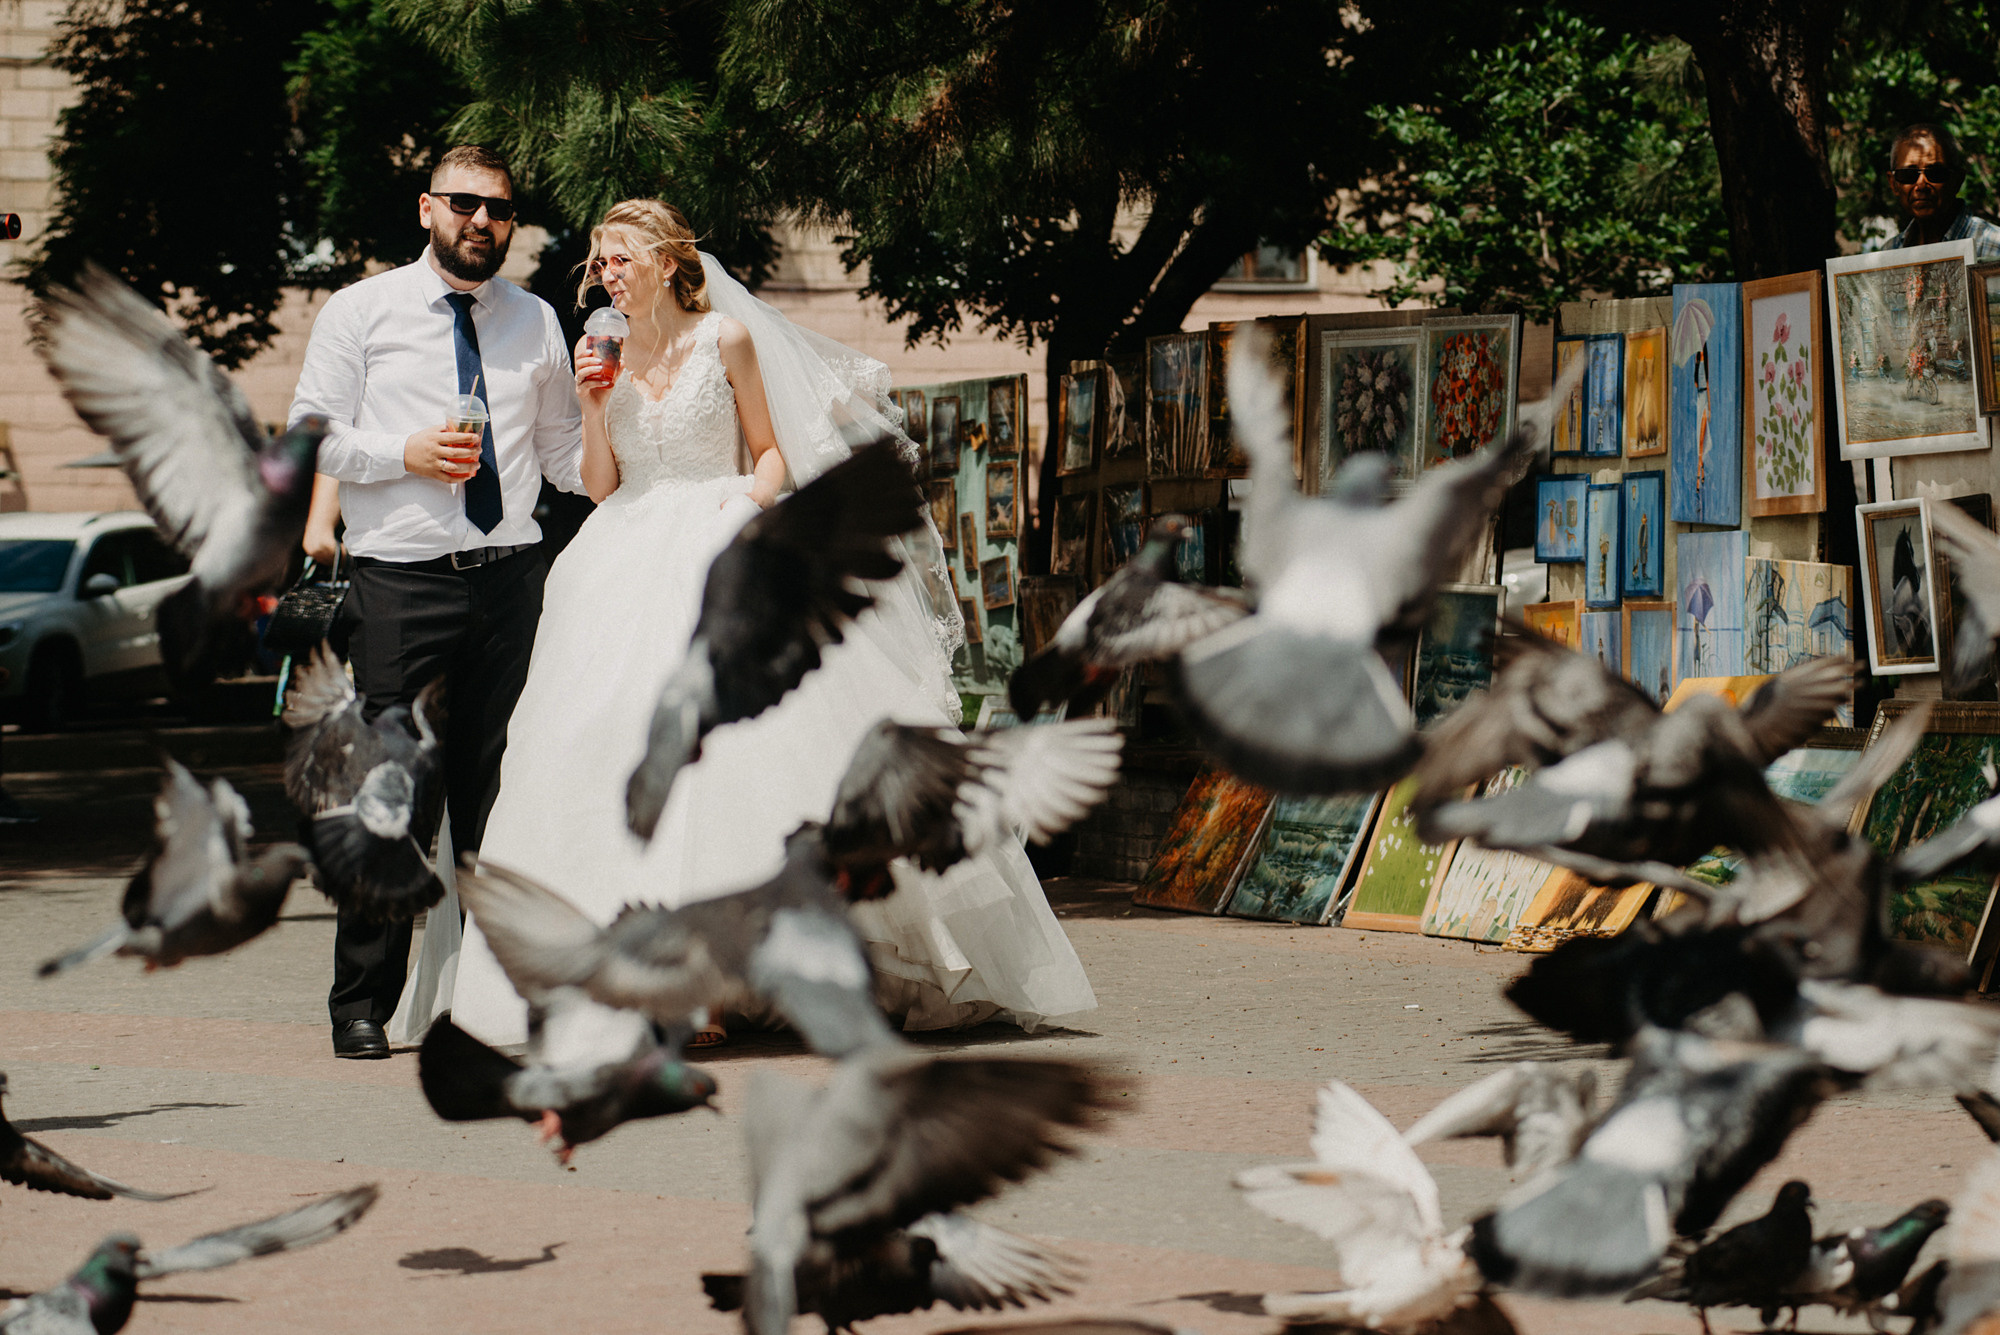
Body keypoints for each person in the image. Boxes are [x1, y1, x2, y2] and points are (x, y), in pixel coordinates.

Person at [444, 198, 1097, 1050]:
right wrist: (596, 403)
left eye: (620, 258)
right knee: (604, 748)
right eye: (599, 262)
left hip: (722, 539)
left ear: (669, 261)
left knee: (745, 762)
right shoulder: (602, 353)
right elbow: (601, 483)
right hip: (622, 560)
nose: (605, 273)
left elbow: (770, 449)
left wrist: (750, 507)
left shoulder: (726, 340)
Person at [286, 145, 587, 1059]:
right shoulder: (361, 309)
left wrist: (636, 439)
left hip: (511, 579)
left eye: (499, 209)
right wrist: (402, 456)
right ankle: (360, 1003)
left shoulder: (537, 320)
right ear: (427, 209)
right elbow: (312, 435)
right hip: (400, 582)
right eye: (464, 204)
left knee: (500, 792)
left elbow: (569, 455)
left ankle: (492, 999)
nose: (482, 222)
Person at [1885, 123, 2000, 258]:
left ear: (1957, 180)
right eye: (1908, 175)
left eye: (1935, 173)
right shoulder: (1888, 253)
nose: (1921, 185)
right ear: (1893, 183)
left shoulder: (1994, 246)